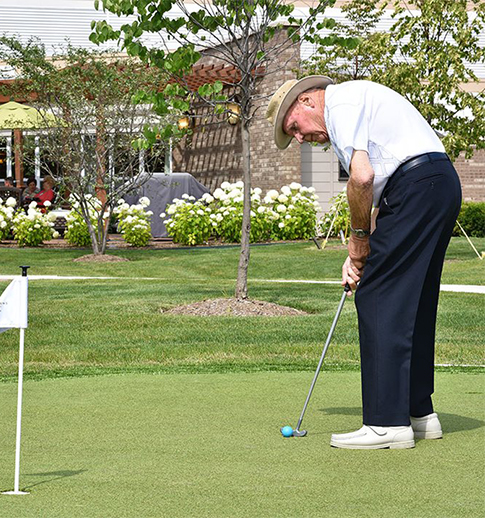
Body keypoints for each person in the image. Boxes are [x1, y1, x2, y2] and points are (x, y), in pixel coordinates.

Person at [266, 76, 462, 449]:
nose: (300, 139)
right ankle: (420, 414)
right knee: (412, 300)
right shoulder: (354, 102)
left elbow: (361, 178)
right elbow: (375, 193)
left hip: (417, 187)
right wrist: (359, 252)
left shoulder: (340, 105)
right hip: (437, 183)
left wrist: (358, 245)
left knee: (377, 295)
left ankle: (387, 422)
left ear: (306, 100)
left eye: (294, 127)